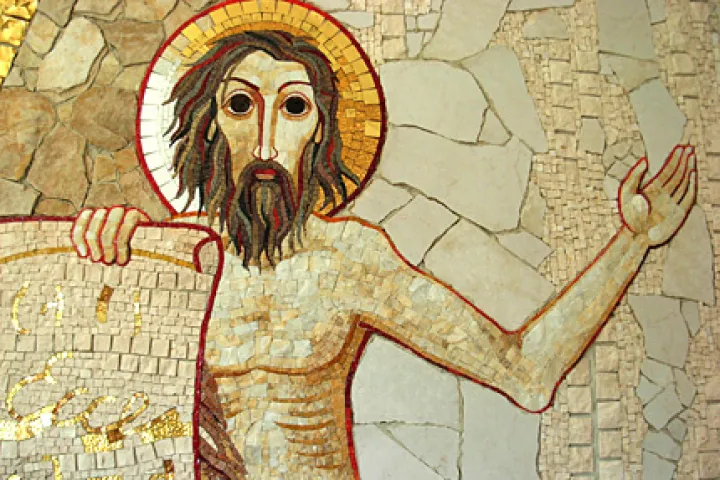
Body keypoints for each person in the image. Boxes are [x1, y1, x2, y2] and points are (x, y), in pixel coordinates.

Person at [71, 30, 697, 479]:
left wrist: (633, 240)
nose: (265, 142)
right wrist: (89, 264)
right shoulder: (169, 258)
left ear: (319, 129)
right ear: (210, 124)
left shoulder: (348, 259)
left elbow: (526, 373)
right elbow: (85, 414)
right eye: (241, 105)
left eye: (294, 107)